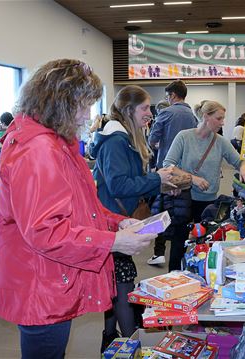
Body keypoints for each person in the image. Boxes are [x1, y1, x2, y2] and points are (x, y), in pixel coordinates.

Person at [0, 59, 157, 359]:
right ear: (62, 103)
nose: (88, 114)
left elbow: (83, 207)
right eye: (84, 105)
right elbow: (46, 231)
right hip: (39, 283)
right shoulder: (38, 149)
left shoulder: (57, 143)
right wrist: (115, 242)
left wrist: (116, 223)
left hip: (48, 278)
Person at [90, 85, 174, 345]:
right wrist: (156, 179)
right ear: (129, 110)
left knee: (114, 285)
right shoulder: (116, 140)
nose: (150, 113)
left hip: (117, 222)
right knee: (123, 287)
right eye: (145, 108)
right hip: (113, 224)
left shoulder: (123, 137)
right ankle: (130, 345)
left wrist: (155, 181)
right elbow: (118, 185)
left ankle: (108, 340)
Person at [163, 100, 245, 271]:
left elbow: (240, 160)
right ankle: (173, 277)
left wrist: (244, 168)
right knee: (179, 242)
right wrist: (193, 179)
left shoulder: (220, 142)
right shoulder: (184, 137)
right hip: (184, 199)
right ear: (206, 116)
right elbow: (168, 164)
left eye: (223, 118)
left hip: (207, 202)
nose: (222, 122)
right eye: (219, 118)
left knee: (205, 244)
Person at [147, 80, 198, 265]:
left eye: (168, 96)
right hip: (185, 173)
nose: (167, 99)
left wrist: (162, 145)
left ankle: (158, 251)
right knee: (182, 214)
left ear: (173, 95)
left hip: (166, 170)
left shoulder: (166, 113)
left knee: (161, 211)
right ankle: (179, 257)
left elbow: (152, 140)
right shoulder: (192, 116)